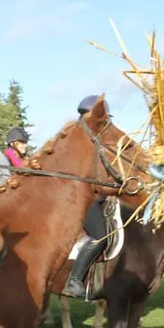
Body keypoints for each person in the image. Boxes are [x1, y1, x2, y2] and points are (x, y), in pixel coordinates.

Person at [62, 95, 112, 299]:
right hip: (80, 200)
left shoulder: (95, 141)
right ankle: (74, 279)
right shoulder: (77, 139)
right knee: (101, 235)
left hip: (99, 198)